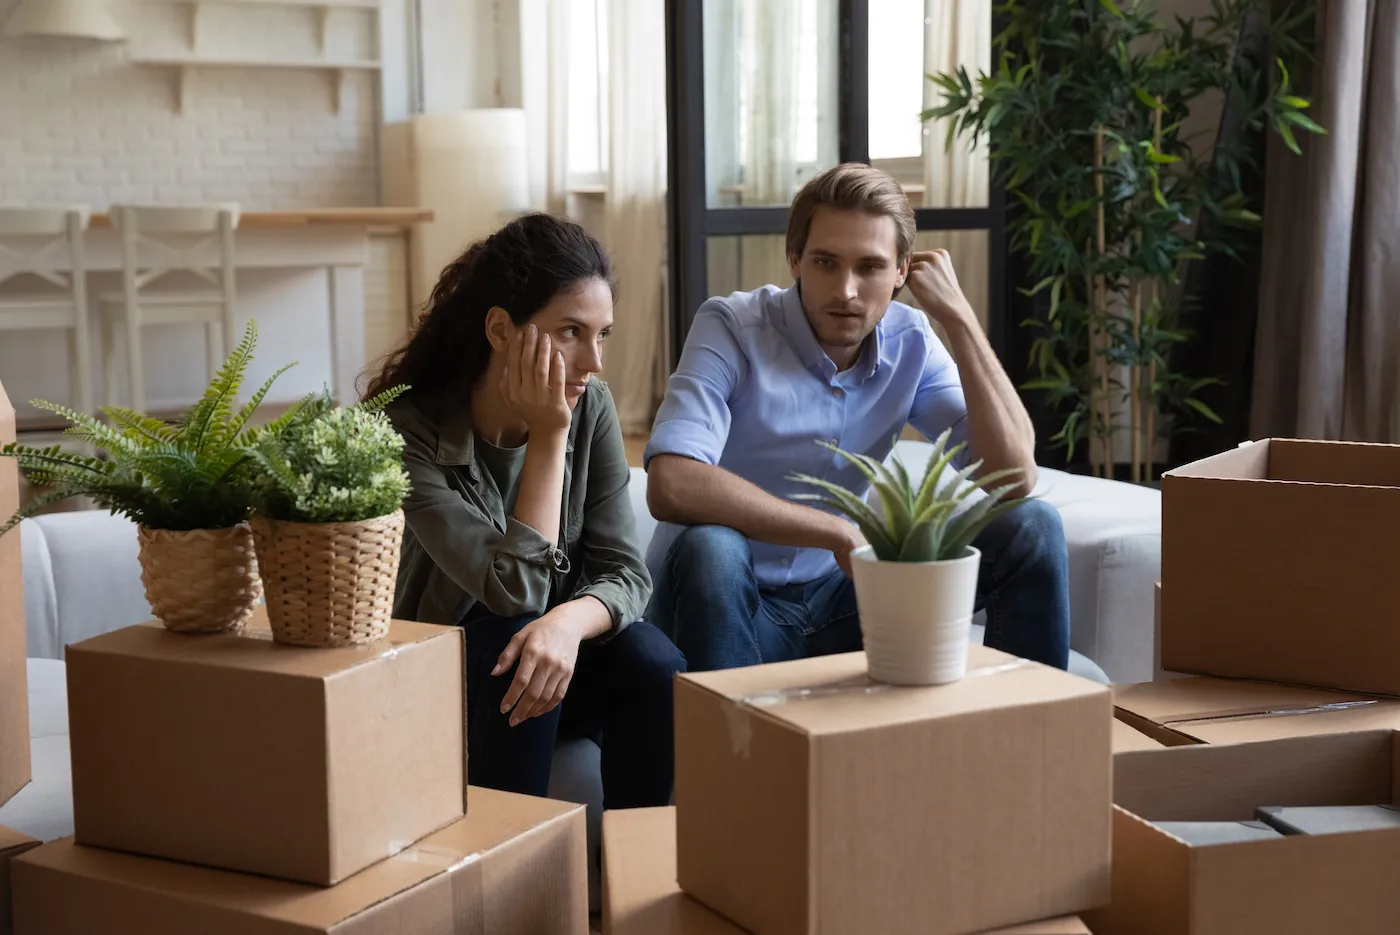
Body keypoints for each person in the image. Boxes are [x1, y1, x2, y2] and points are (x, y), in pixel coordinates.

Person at [644, 163, 1070, 673]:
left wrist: (960, 320)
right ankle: (736, 749)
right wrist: (835, 531)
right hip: (729, 604)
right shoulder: (732, 327)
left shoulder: (911, 338)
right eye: (826, 262)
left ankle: (1032, 740)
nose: (846, 290)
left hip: (845, 606)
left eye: (869, 267)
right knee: (713, 547)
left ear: (901, 272)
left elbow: (1013, 478)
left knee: (1033, 527)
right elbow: (671, 482)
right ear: (795, 258)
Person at [373, 213, 684, 808]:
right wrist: (547, 439)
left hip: (552, 660)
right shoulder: (406, 434)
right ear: (500, 329)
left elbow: (626, 572)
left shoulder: (591, 404)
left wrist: (567, 625)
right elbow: (513, 592)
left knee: (652, 660)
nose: (593, 362)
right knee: (516, 636)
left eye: (603, 334)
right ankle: (513, 882)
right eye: (571, 331)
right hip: (447, 677)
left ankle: (631, 877)